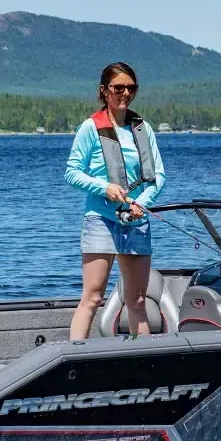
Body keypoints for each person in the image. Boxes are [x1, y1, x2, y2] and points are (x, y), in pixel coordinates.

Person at [65, 62, 166, 339]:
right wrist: (104, 187)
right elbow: (71, 173)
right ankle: (74, 362)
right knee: (92, 298)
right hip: (100, 220)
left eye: (131, 88)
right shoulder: (90, 128)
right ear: (104, 91)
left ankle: (144, 365)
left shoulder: (142, 129)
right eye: (118, 87)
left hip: (136, 222)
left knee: (137, 301)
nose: (125, 93)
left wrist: (140, 204)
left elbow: (158, 176)